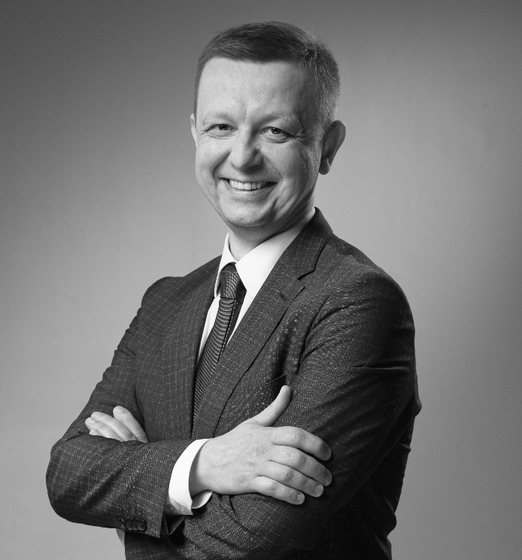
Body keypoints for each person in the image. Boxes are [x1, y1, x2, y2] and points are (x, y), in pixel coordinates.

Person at [47, 21, 420, 559]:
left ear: (328, 146)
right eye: (221, 127)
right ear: (195, 133)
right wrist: (204, 465)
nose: (242, 157)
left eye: (276, 132)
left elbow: (255, 539)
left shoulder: (357, 302)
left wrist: (140, 502)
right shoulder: (165, 303)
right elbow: (67, 474)